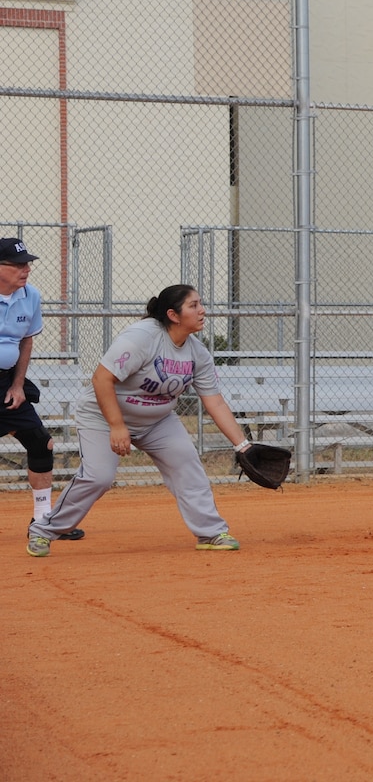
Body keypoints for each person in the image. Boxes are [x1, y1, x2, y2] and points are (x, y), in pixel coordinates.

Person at [28, 284, 252, 556]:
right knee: (99, 477)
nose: (202, 310)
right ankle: (43, 530)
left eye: (200, 303)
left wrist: (243, 445)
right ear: (173, 314)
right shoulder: (142, 337)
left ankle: (211, 532)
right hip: (102, 415)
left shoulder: (197, 353)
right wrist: (117, 425)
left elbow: (214, 401)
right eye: (194, 305)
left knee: (187, 464)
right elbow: (101, 379)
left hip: (157, 421)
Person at [1, 238, 83, 541]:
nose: (26, 269)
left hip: (7, 382)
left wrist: (18, 385)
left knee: (41, 443)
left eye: (27, 263)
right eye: (17, 264)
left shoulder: (30, 296)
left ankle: (43, 521)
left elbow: (26, 341)